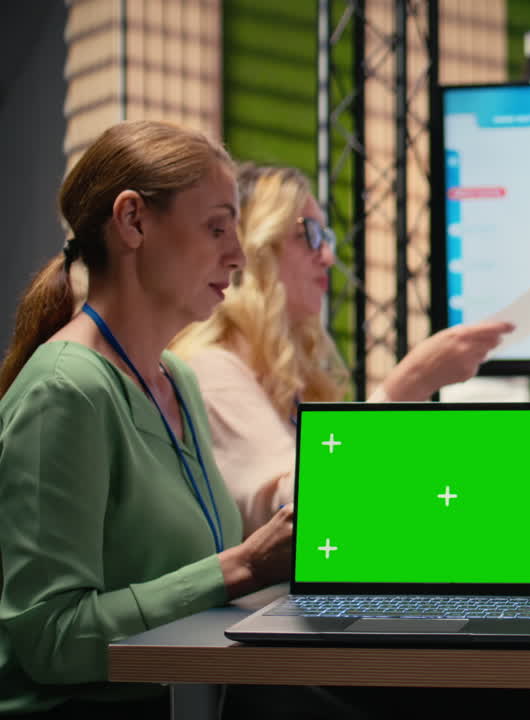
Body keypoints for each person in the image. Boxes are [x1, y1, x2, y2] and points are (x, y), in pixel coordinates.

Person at [0, 121, 294, 717]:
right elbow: (51, 641)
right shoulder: (65, 391)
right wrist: (241, 566)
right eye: (216, 227)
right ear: (132, 220)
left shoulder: (177, 379)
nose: (237, 256)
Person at [171, 164, 513, 535]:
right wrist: (408, 386)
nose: (328, 257)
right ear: (254, 245)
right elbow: (297, 510)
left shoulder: (282, 374)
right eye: (309, 234)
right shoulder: (213, 370)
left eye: (327, 237)